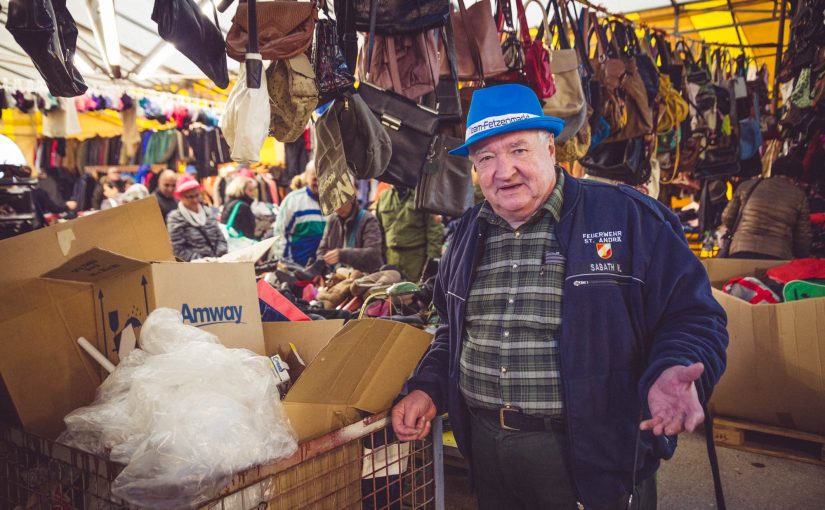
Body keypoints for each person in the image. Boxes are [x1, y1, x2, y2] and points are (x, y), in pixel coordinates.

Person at [391, 84, 728, 510]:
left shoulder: (626, 216)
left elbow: (694, 316)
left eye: (518, 150)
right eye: (487, 158)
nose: (504, 170)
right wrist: (428, 388)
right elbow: (450, 331)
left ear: (551, 148)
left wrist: (671, 368)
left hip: (591, 453)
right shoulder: (465, 234)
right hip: (488, 451)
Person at [721, 155, 811, 260]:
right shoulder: (799, 196)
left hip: (741, 249)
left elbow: (727, 218)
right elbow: (802, 238)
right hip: (777, 255)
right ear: (796, 177)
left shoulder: (747, 186)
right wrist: (803, 255)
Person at [376, 185, 443, 281]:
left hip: (416, 259)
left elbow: (434, 230)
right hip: (391, 257)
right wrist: (381, 259)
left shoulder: (422, 195)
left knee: (414, 292)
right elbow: (379, 231)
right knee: (390, 292)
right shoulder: (384, 197)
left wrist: (430, 261)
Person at [271, 161, 326, 265]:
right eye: (314, 179)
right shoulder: (293, 201)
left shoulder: (333, 201)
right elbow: (279, 234)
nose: (318, 182)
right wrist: (285, 265)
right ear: (306, 177)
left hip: (325, 269)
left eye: (322, 178)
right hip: (297, 268)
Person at [166, 175, 227, 261]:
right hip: (196, 267)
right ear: (180, 197)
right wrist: (202, 261)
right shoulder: (175, 218)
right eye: (190, 197)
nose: (195, 200)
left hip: (220, 262)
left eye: (197, 195)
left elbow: (220, 237)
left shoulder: (208, 212)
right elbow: (178, 249)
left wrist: (220, 255)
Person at [316, 197, 383, 274]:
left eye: (342, 203)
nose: (338, 208)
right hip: (338, 277)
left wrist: (343, 255)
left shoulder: (368, 219)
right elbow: (322, 250)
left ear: (351, 198)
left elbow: (373, 253)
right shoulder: (332, 220)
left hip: (366, 278)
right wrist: (319, 268)